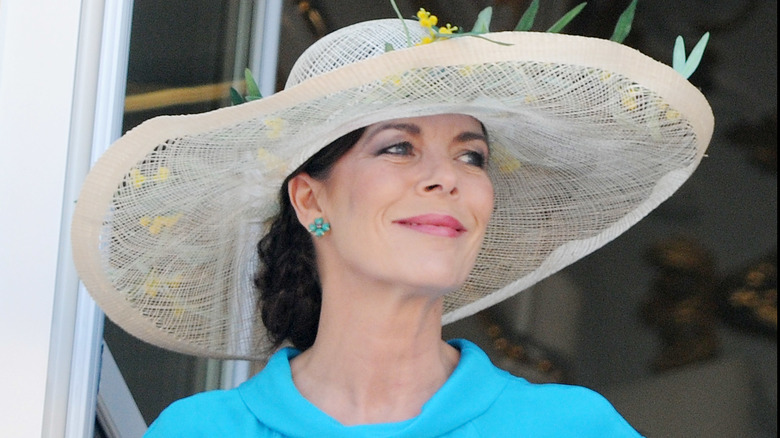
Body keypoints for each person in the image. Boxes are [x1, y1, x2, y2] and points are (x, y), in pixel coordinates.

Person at [71, 6, 713, 437]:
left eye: (472, 155)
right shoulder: (202, 432)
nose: (449, 176)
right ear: (310, 200)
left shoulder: (567, 427)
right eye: (398, 147)